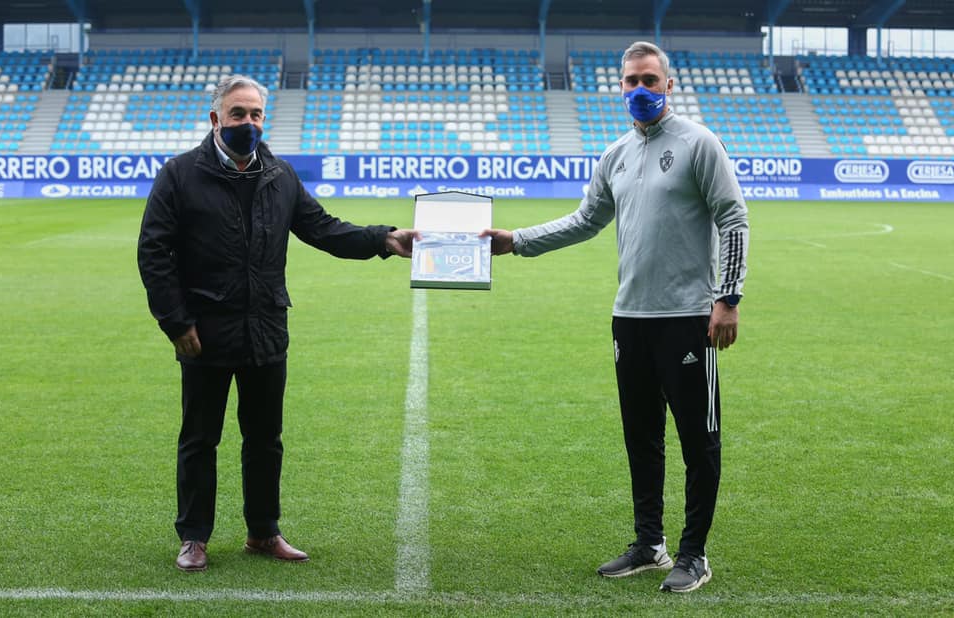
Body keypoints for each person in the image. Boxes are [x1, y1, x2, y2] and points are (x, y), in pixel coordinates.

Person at [482, 41, 748, 593]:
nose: (641, 90)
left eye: (650, 79)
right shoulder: (616, 154)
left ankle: (693, 554)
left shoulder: (699, 144)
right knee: (642, 437)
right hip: (630, 318)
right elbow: (585, 220)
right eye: (631, 81)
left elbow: (733, 218)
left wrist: (728, 298)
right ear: (620, 87)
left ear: (668, 85)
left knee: (699, 441)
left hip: (688, 318)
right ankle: (649, 543)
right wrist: (517, 241)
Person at [137, 74, 417, 572]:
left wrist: (383, 239)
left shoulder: (281, 175)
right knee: (201, 438)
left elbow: (323, 228)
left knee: (265, 438)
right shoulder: (179, 175)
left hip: (266, 326)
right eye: (239, 113)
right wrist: (176, 322)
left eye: (256, 114)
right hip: (204, 331)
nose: (248, 123)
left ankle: (263, 532)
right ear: (216, 119)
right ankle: (194, 537)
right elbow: (154, 253)